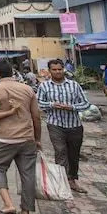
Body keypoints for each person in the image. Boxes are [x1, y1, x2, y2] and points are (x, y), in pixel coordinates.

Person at [0, 59, 42, 214]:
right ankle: (25, 212)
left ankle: (8, 204)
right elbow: (36, 117)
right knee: (28, 174)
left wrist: (9, 113)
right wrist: (37, 138)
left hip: (3, 138)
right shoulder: (27, 89)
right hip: (27, 138)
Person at [36, 58, 90, 194]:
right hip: (55, 124)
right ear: (49, 71)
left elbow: (85, 104)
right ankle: (61, 181)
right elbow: (38, 103)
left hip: (74, 124)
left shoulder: (74, 85)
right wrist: (52, 105)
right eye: (54, 70)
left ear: (63, 69)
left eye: (60, 69)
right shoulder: (44, 86)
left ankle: (72, 180)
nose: (57, 72)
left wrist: (71, 107)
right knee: (60, 151)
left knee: (74, 153)